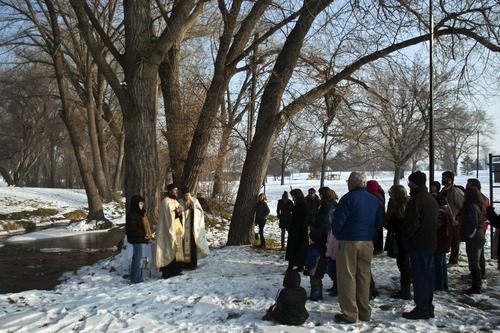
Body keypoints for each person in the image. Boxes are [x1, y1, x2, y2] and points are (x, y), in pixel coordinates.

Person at [332, 171, 383, 324]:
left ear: (352, 183)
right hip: (367, 241)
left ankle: (350, 313)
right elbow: (379, 222)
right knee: (364, 276)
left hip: (348, 240)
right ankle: (364, 311)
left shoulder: (348, 199)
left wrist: (338, 233)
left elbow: (338, 221)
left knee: (347, 277)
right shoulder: (374, 200)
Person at [401, 171, 439, 320]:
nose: (409, 185)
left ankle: (422, 308)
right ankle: (427, 306)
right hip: (430, 242)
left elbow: (411, 225)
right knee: (428, 276)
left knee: (420, 277)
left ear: (414, 183)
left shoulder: (416, 200)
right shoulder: (431, 199)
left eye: (410, 182)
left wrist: (407, 240)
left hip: (419, 243)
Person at [385, 185, 411, 299]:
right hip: (406, 239)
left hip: (401, 240)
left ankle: (405, 290)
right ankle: (405, 288)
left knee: (404, 265)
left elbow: (391, 223)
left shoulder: (398, 208)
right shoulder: (408, 203)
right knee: (404, 264)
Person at [459, 187, 486, 294]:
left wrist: (469, 236)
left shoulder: (472, 207)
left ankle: (476, 286)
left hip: (474, 238)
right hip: (478, 237)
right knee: (476, 261)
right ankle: (476, 285)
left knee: (474, 263)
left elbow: (472, 224)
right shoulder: (478, 206)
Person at [155, 183, 185, 279]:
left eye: (177, 190)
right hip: (168, 230)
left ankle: (176, 270)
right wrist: (177, 212)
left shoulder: (175, 201)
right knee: (169, 248)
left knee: (177, 250)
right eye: (174, 190)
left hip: (177, 230)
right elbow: (169, 216)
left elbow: (178, 215)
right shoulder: (166, 201)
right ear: (169, 191)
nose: (176, 192)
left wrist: (180, 212)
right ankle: (167, 272)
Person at [178, 187, 210, 270]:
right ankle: (185, 264)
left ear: (189, 194)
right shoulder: (180, 202)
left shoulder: (195, 201)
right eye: (184, 195)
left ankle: (193, 264)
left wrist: (194, 210)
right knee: (183, 245)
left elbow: (200, 212)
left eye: (187, 195)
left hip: (193, 227)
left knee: (192, 246)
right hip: (183, 228)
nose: (186, 197)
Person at [465, 178, 490, 279]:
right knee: (477, 252)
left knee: (478, 252)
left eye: (469, 186)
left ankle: (479, 273)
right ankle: (477, 273)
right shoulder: (481, 198)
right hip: (479, 227)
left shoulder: (480, 199)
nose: (467, 188)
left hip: (478, 228)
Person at [125, 194, 151, 284]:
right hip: (136, 240)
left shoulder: (140, 213)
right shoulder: (132, 214)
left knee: (141, 259)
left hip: (141, 239)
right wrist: (144, 234)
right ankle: (136, 279)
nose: (142, 205)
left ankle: (139, 277)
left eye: (142, 203)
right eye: (140, 203)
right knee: (137, 259)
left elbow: (145, 225)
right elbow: (133, 229)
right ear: (136, 204)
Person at [440, 171, 464, 266]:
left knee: (455, 240)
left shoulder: (455, 191)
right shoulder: (443, 190)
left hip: (453, 219)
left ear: (449, 180)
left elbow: (462, 205)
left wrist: (457, 217)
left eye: (444, 178)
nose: (442, 180)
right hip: (445, 219)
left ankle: (454, 259)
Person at [432, 194, 453, 292]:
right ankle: (444, 282)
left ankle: (438, 284)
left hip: (439, 240)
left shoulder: (440, 213)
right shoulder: (447, 211)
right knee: (442, 262)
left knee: (438, 263)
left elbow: (437, 226)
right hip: (445, 239)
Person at [286, 189, 309, 272]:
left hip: (299, 231)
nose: (292, 198)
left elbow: (302, 218)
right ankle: (297, 265)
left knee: (297, 249)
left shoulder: (302, 204)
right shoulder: (298, 204)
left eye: (293, 196)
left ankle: (297, 265)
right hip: (296, 230)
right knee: (295, 249)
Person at [322, 188, 339, 296]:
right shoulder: (331, 230)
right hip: (330, 252)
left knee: (335, 270)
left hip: (334, 254)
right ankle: (334, 286)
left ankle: (337, 287)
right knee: (331, 270)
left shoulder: (335, 231)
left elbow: (335, 243)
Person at [304, 230, 327, 301]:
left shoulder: (313, 249)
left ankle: (314, 295)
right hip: (321, 268)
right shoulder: (321, 247)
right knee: (319, 281)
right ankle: (319, 294)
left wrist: (307, 268)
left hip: (314, 269)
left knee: (314, 282)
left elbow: (311, 260)